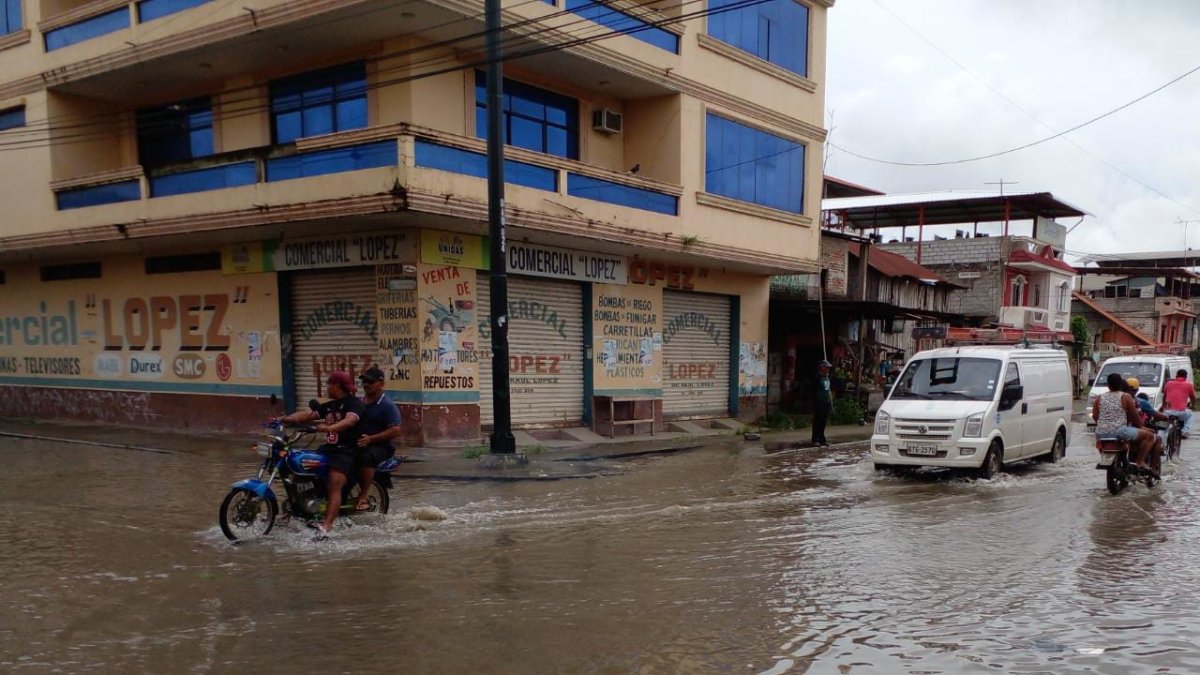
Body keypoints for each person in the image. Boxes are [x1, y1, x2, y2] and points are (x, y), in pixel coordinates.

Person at [278, 371, 365, 535]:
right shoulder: (330, 405)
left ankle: (327, 525)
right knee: (300, 469)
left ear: (337, 385)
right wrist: (285, 419)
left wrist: (329, 427)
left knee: (334, 484)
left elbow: (349, 421)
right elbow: (308, 415)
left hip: (345, 451)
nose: (327, 387)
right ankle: (298, 510)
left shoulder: (354, 404)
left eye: (328, 384)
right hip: (328, 450)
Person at [354, 366, 403, 511]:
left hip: (380, 447)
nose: (366, 385)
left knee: (366, 458)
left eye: (370, 381)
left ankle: (363, 496)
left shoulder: (387, 405)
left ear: (381, 383)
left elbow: (396, 430)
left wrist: (372, 439)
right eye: (364, 381)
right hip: (360, 443)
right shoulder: (360, 402)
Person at [1092, 373, 1156, 472]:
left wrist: (1104, 425)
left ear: (1108, 385)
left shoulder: (1099, 398)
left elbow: (1095, 416)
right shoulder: (1125, 396)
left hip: (1100, 433)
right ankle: (1140, 461)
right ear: (1120, 384)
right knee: (1149, 436)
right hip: (1120, 431)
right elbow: (1135, 417)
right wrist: (1143, 428)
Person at [1162, 368, 1195, 438]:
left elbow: (1164, 397)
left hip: (1168, 412)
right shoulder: (1188, 385)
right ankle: (1185, 431)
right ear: (1186, 377)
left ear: (1176, 376)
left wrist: (1163, 406)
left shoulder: (1168, 383)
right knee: (1190, 414)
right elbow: (1192, 397)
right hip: (1181, 412)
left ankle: (1162, 433)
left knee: (1163, 424)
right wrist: (1193, 406)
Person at [812, 360, 833, 447]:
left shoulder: (827, 377)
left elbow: (828, 390)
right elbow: (813, 390)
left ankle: (822, 439)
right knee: (818, 421)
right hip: (819, 402)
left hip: (826, 401)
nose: (828, 369)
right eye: (826, 368)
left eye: (829, 368)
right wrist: (815, 401)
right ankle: (815, 439)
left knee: (823, 421)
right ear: (822, 368)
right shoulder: (817, 377)